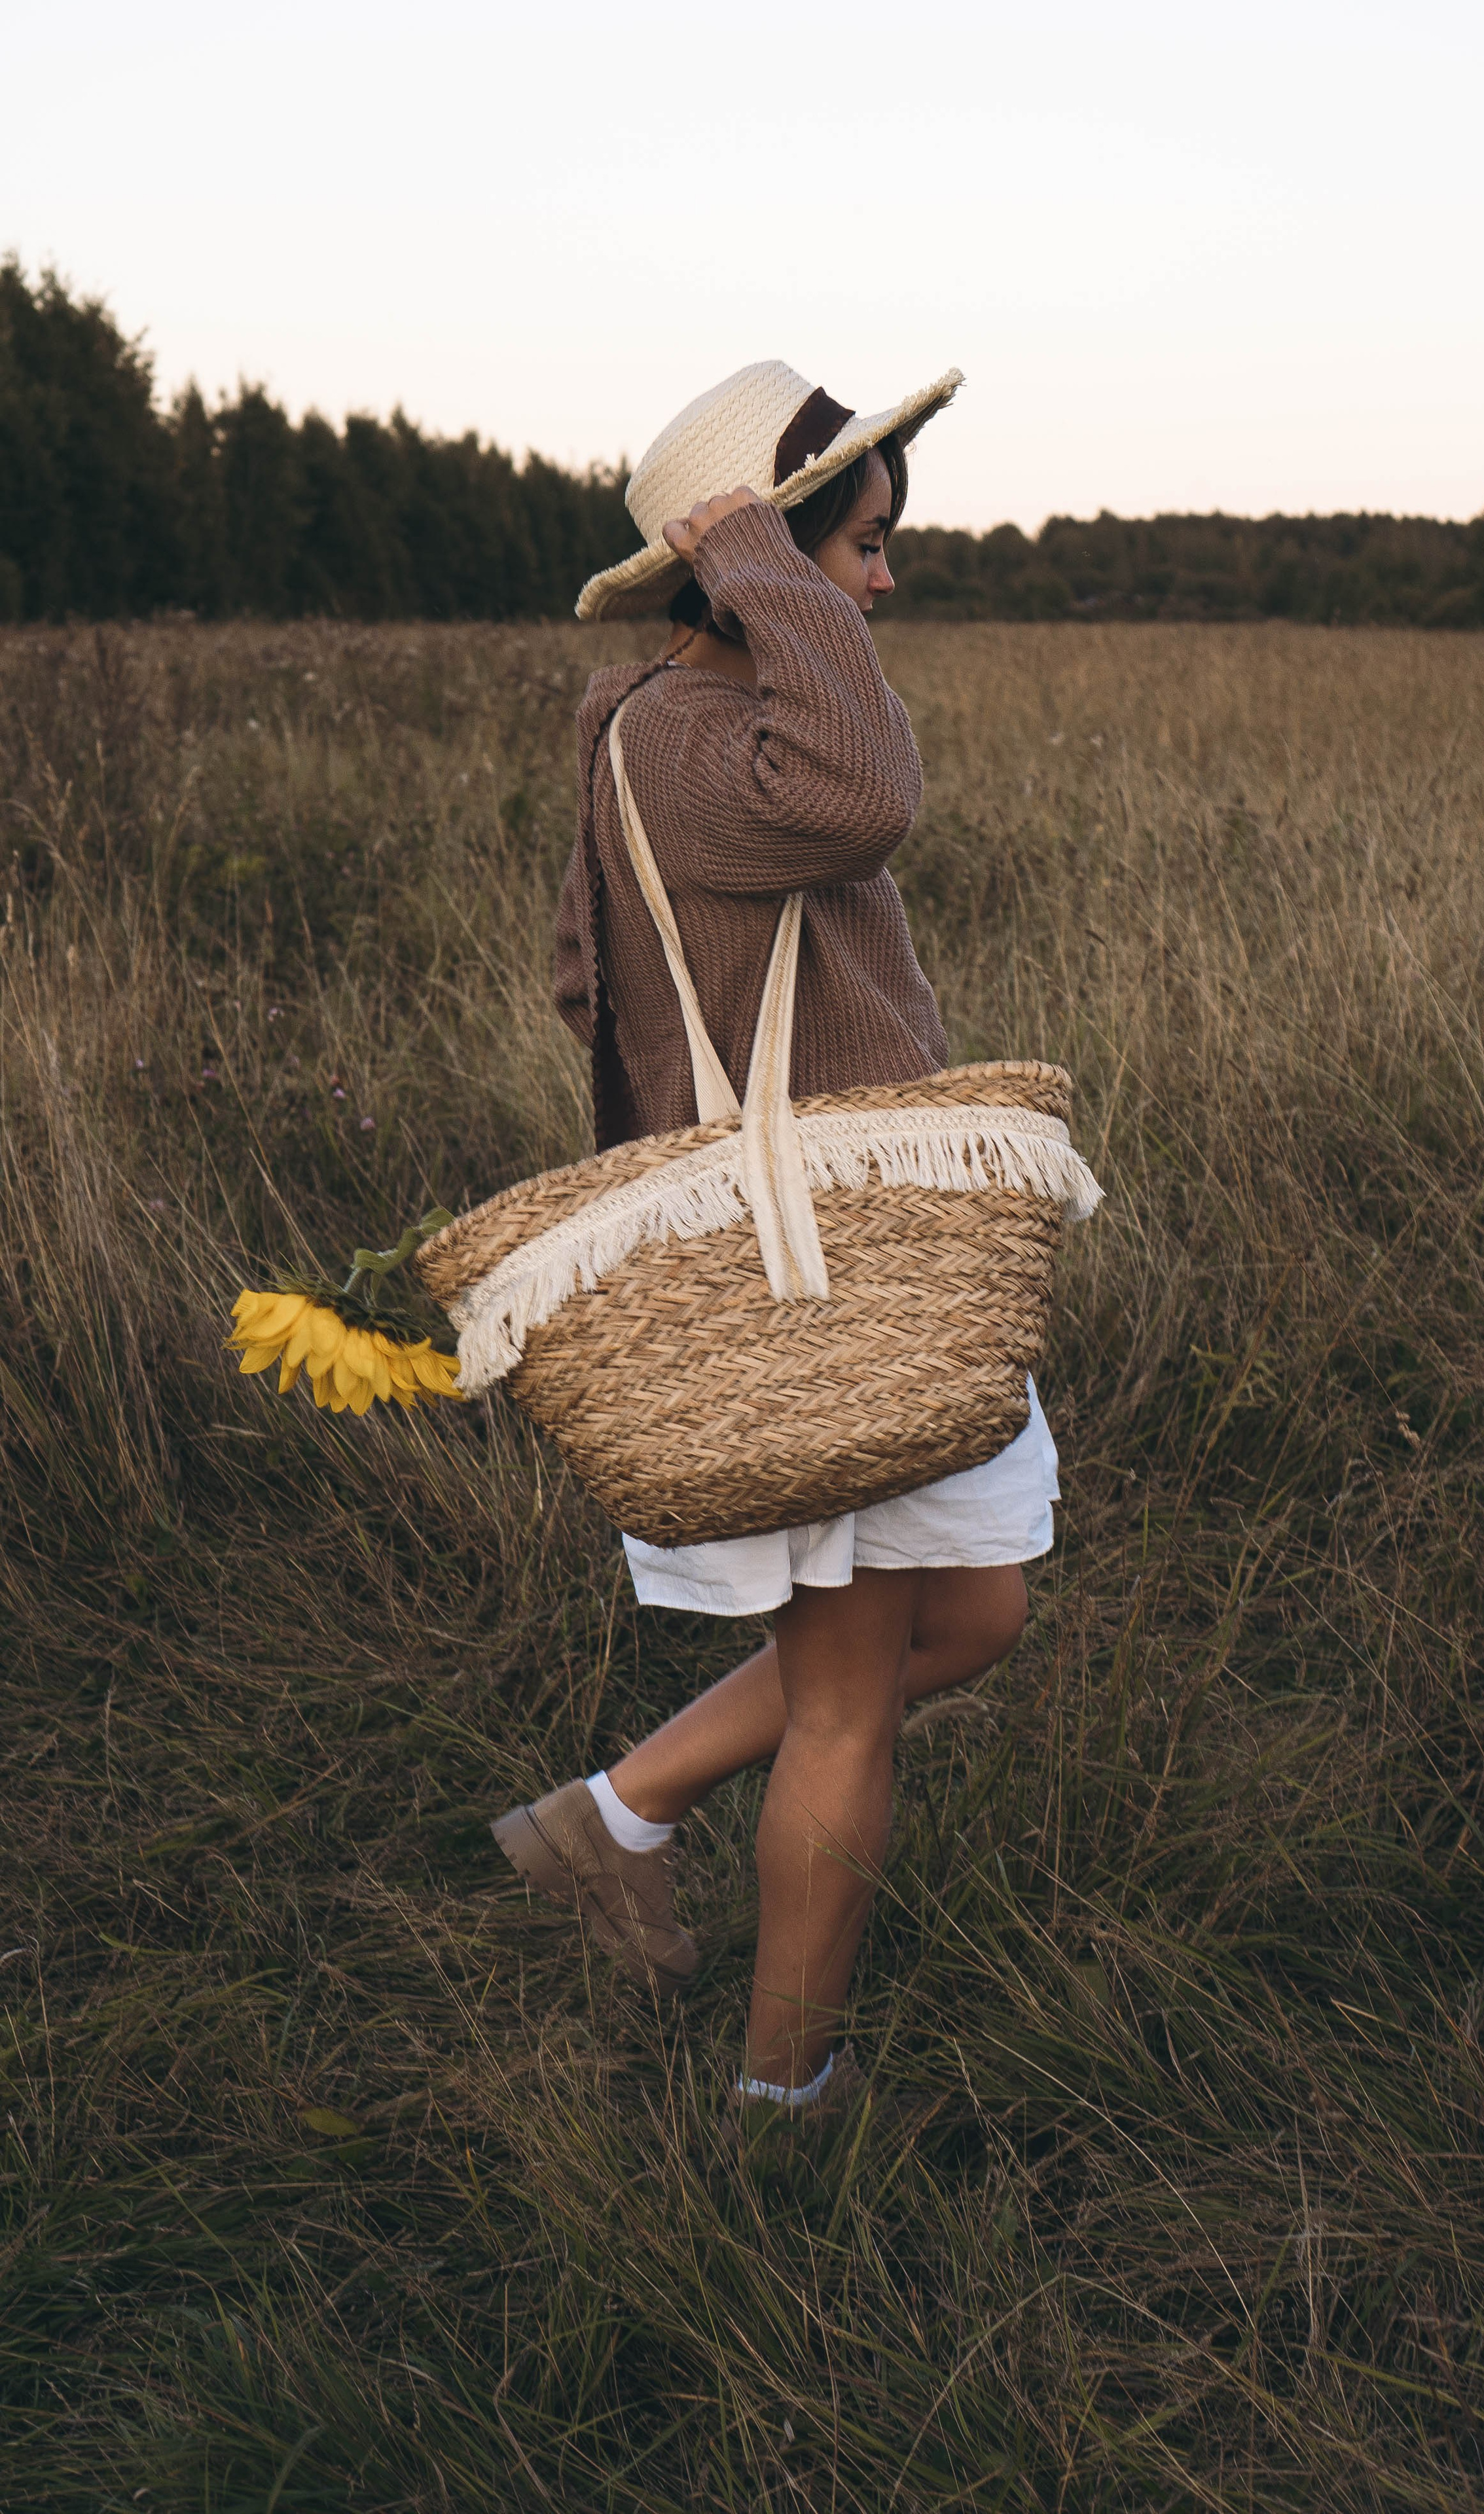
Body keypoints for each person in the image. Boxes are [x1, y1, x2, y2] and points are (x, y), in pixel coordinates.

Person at [492, 362, 1060, 2122]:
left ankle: (615, 1813)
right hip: (820, 1275)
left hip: (849, 1246)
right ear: (750, 565)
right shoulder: (695, 736)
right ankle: (784, 2105)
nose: (883, 581)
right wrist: (761, 556)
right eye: (859, 547)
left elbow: (587, 977)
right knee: (846, 1708)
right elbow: (872, 793)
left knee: (974, 1610)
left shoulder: (666, 730)